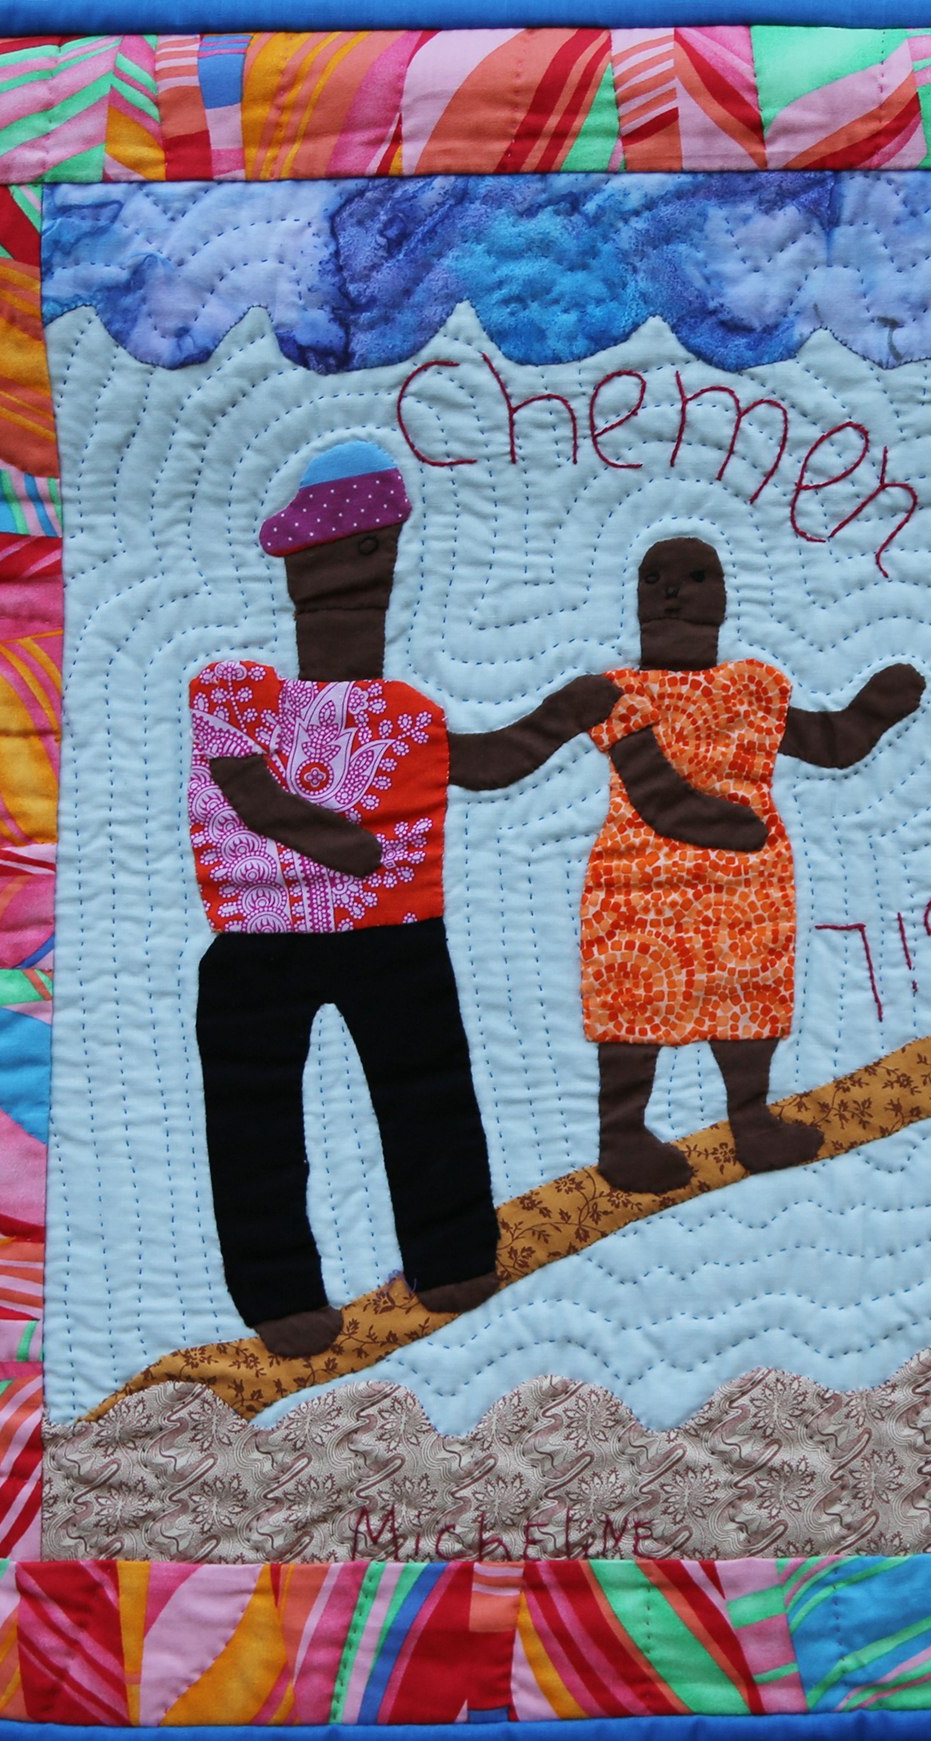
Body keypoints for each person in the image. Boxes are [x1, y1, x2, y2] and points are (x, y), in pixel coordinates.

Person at [188, 442, 718, 1356]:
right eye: (355, 555)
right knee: (256, 1114)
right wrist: (343, 843)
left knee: (426, 1095)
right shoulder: (235, 690)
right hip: (260, 935)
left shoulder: (406, 712)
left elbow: (484, 762)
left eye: (372, 556)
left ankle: (452, 1256)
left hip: (399, 932)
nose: (368, 576)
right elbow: (249, 790)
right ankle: (277, 1294)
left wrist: (563, 714)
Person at [581, 536, 924, 1194]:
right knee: (633, 1003)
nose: (672, 591)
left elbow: (830, 744)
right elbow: (644, 787)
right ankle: (622, 1137)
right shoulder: (621, 694)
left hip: (744, 889)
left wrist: (874, 710)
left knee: (746, 996)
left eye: (693, 577)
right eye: (654, 579)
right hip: (638, 877)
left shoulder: (749, 692)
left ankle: (751, 1121)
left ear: (720, 596)